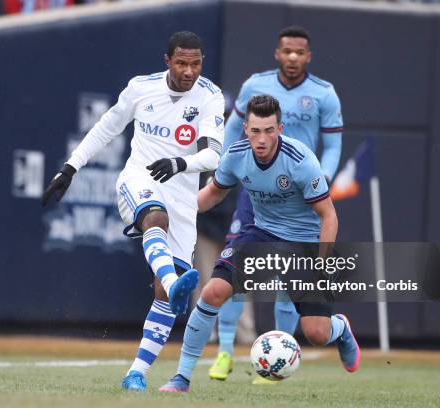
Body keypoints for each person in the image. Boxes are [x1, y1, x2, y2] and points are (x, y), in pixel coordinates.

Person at [41, 31, 225, 392]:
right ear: (166, 60)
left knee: (161, 295)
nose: (189, 71)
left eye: (196, 63)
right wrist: (71, 167)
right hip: (138, 180)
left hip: (182, 195)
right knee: (155, 219)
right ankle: (175, 284)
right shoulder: (141, 88)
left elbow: (213, 155)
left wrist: (179, 163)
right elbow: (107, 127)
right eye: (181, 62)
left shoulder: (210, 96)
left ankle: (136, 372)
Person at [159, 95, 359, 393]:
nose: (261, 139)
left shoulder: (301, 161)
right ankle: (182, 377)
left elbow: (329, 216)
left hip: (304, 243)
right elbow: (213, 193)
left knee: (316, 333)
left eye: (268, 130)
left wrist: (321, 263)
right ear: (245, 129)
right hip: (260, 235)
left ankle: (340, 329)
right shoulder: (236, 155)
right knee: (213, 291)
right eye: (255, 131)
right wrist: (173, 211)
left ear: (280, 128)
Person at [208, 25, 344, 382]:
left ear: (308, 56)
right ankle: (224, 353)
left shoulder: (324, 95)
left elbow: (331, 146)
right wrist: (221, 161)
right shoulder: (256, 85)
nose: (293, 58)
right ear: (277, 53)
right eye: (287, 51)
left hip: (299, 194)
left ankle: (276, 356)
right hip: (256, 190)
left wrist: (323, 179)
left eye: (300, 52)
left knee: (289, 281)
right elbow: (232, 125)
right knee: (235, 269)